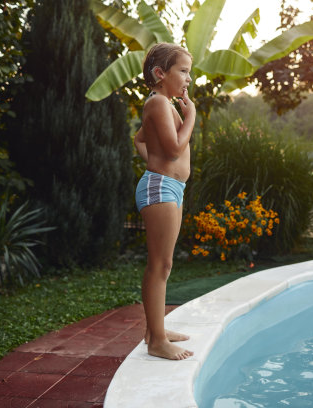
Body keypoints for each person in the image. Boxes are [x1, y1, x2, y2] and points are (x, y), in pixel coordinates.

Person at [133, 43, 195, 360]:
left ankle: (154, 329)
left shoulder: (162, 105)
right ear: (161, 73)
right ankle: (157, 340)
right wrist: (192, 117)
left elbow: (140, 140)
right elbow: (172, 150)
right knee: (160, 265)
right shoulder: (158, 103)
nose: (188, 79)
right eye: (183, 71)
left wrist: (154, 165)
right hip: (161, 188)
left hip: (168, 186)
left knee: (164, 265)